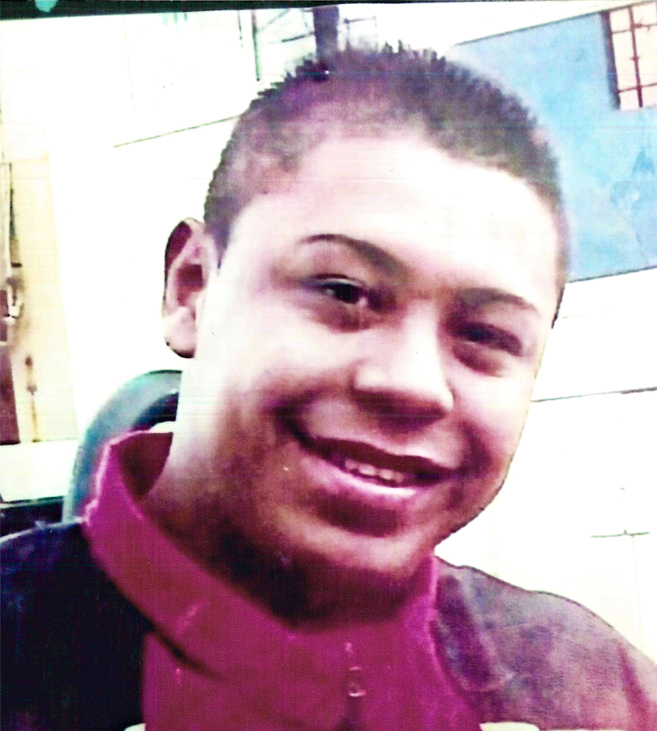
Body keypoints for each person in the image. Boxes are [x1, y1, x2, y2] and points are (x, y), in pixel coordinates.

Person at [2, 47, 656, 731]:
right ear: (192, 286)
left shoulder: (581, 684)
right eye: (343, 291)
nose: (412, 384)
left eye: (485, 334)